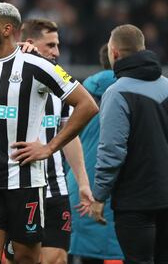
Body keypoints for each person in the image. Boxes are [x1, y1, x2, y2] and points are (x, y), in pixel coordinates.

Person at [0, 2, 99, 264]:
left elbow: (87, 105)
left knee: (26, 258)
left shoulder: (38, 66)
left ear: (6, 29)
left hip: (26, 183)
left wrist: (50, 147)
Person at [4, 18, 93, 264]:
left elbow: (68, 136)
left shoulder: (62, 85)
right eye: (51, 45)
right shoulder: (6, 76)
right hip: (18, 186)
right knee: (25, 258)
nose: (57, 52)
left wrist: (83, 182)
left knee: (56, 259)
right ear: (30, 43)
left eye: (58, 45)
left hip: (55, 187)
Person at [90, 24, 168, 263]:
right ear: (143, 49)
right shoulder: (166, 86)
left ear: (113, 53)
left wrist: (99, 195)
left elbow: (112, 151)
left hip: (135, 202)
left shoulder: (117, 93)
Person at [67, 44, 123, 264]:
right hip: (115, 187)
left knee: (74, 250)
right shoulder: (134, 93)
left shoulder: (79, 93)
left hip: (80, 182)